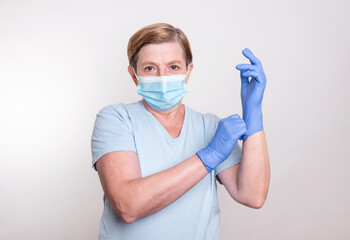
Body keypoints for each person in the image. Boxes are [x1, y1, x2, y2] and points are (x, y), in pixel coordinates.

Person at [91, 23, 270, 240]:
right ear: (134, 75)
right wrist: (209, 155)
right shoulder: (116, 119)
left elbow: (252, 195)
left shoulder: (210, 127)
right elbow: (127, 205)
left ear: (188, 72)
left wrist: (253, 115)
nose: (162, 77)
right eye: (150, 68)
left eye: (173, 67)